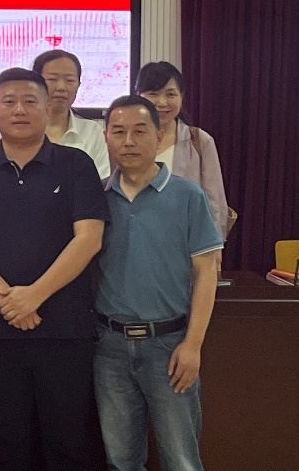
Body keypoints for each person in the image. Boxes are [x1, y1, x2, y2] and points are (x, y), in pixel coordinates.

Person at [0, 68, 109, 471]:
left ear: (47, 107)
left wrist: (34, 295)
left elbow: (89, 238)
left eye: (30, 101)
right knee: (5, 441)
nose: (19, 109)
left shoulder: (76, 164)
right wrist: (8, 300)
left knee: (67, 442)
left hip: (65, 329)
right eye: (9, 101)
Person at [94, 95, 221, 471]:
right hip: (109, 347)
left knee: (181, 459)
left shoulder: (188, 196)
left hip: (169, 345)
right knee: (120, 460)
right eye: (119, 132)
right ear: (106, 137)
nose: (128, 141)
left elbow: (206, 272)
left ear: (159, 135)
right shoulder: (96, 197)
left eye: (139, 131)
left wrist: (192, 345)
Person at [135, 61, 230, 240]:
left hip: (185, 241)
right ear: (138, 96)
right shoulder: (127, 140)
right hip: (136, 238)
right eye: (153, 94)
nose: (162, 102)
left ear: (181, 96)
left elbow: (214, 202)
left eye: (170, 94)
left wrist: (212, 248)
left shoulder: (199, 141)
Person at [32, 49, 110, 180]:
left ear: (78, 85)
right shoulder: (20, 128)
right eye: (52, 79)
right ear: (36, 84)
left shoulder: (93, 132)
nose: (61, 87)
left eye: (70, 80)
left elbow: (102, 180)